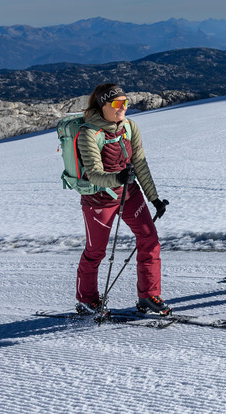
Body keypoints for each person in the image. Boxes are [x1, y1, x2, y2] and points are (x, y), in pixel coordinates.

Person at [75, 83, 171, 315]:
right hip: (99, 199)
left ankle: (148, 295)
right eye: (117, 104)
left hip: (129, 193)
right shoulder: (89, 133)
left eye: (125, 103)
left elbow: (140, 163)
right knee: (96, 251)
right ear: (103, 106)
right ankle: (86, 299)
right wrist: (118, 177)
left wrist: (154, 198)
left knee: (149, 239)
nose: (123, 108)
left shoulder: (129, 127)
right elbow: (94, 174)